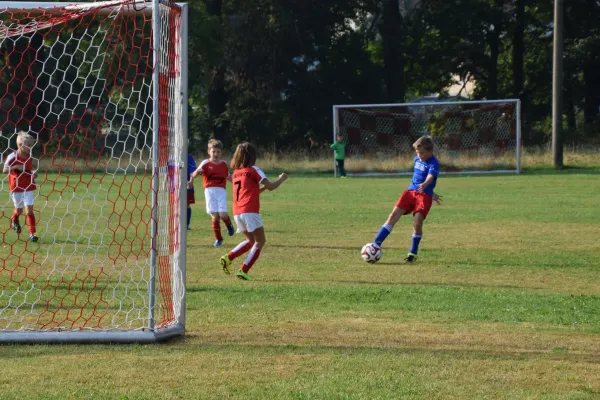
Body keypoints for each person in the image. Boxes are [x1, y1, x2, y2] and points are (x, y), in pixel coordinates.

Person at [220, 142, 288, 280]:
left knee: (250, 240)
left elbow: (252, 192)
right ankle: (243, 270)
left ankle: (229, 257)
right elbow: (270, 186)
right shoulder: (254, 170)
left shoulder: (236, 174)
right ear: (252, 156)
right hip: (250, 211)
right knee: (260, 241)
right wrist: (281, 179)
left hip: (237, 212)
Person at [372, 135, 442, 262]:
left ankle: (413, 253)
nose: (419, 155)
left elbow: (430, 176)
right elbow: (417, 177)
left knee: (417, 221)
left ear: (430, 151)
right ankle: (375, 244)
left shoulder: (433, 162)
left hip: (423, 196)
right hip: (410, 192)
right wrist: (430, 190)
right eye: (417, 152)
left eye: (422, 153)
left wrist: (427, 187)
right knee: (393, 215)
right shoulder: (417, 160)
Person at [188, 138, 235, 246]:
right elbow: (194, 174)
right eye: (213, 151)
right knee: (215, 215)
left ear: (221, 152)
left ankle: (229, 225)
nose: (216, 154)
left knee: (223, 214)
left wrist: (236, 183)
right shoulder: (205, 163)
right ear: (209, 151)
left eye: (218, 152)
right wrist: (194, 176)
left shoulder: (223, 164)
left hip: (221, 192)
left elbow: (228, 176)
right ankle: (218, 239)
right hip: (209, 192)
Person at [3, 131, 39, 242]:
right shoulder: (12, 156)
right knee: (19, 210)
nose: (30, 148)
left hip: (28, 186)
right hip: (16, 187)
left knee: (29, 210)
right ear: (20, 145)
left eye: (31, 146)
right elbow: (4, 170)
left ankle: (32, 234)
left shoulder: (29, 157)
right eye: (28, 145)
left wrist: (34, 172)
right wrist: (16, 166)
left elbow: (29, 169)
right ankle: (15, 219)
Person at [186, 153, 197, 230]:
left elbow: (192, 171)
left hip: (187, 185)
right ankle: (177, 223)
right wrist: (165, 183)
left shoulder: (189, 157)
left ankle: (187, 224)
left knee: (187, 204)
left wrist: (191, 181)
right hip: (175, 185)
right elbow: (168, 170)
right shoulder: (171, 157)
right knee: (176, 205)